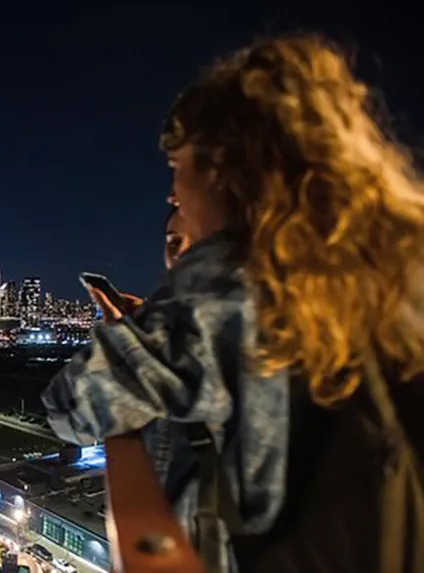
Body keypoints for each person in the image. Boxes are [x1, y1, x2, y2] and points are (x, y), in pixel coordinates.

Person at [44, 34, 424, 572]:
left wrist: (131, 331)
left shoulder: (228, 289)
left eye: (180, 165)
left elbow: (70, 406)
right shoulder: (389, 274)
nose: (173, 194)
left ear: (226, 167)